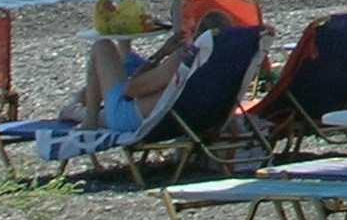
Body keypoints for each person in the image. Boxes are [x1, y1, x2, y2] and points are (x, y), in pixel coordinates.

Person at [62, 12, 234, 133]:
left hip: (131, 118)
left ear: (198, 34)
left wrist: (160, 54)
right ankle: (78, 103)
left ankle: (84, 116)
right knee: (126, 61)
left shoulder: (183, 63)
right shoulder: (223, 66)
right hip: (182, 123)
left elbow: (130, 90)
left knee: (102, 46)